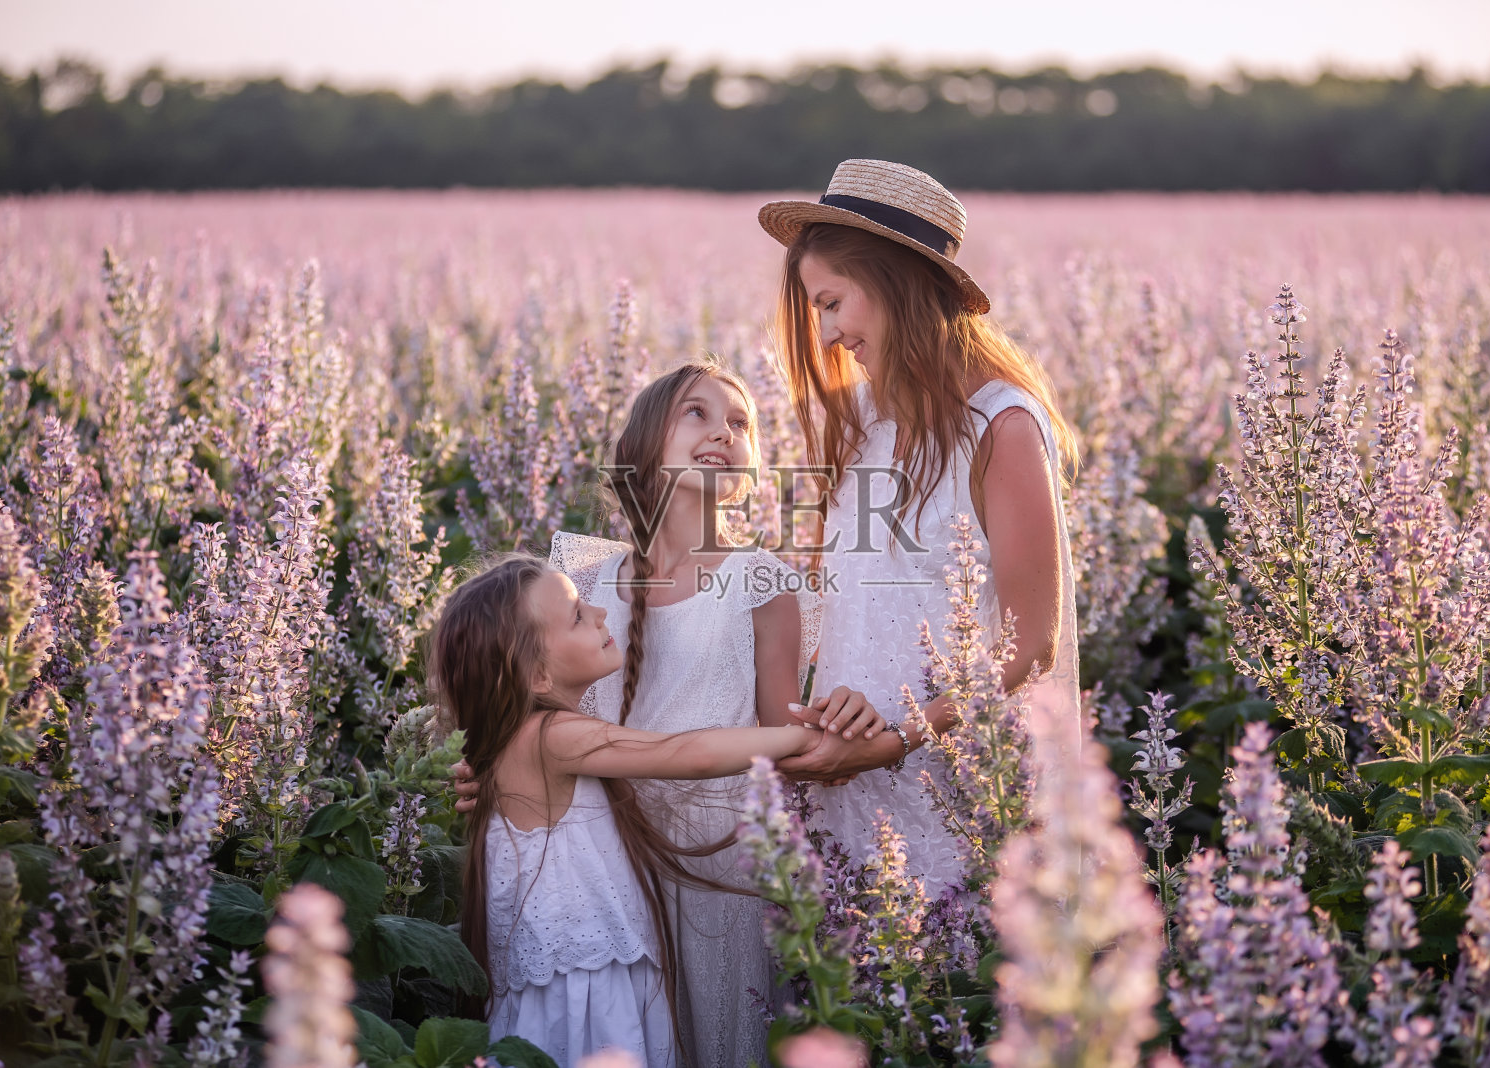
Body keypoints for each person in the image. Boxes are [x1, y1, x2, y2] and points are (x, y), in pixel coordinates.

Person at [453, 362, 882, 1068]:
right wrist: (482, 771)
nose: (723, 433)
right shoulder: (587, 576)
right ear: (646, 443)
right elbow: (526, 703)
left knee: (715, 1035)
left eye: (741, 423)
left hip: (722, 857)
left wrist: (842, 721)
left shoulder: (763, 579)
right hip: (603, 853)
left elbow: (787, 736)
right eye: (698, 413)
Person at [760, 158, 1083, 891]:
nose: (830, 331)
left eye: (834, 301)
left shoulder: (1002, 428)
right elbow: (840, 604)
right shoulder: (859, 423)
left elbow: (1032, 645)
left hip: (954, 779)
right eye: (818, 309)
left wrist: (898, 739)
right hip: (845, 778)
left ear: (896, 285)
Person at [428, 553, 822, 1068]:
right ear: (539, 675)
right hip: (587, 990)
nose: (600, 613)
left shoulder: (511, 744)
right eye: (575, 615)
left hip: (582, 979)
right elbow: (690, 754)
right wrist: (801, 737)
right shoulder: (554, 736)